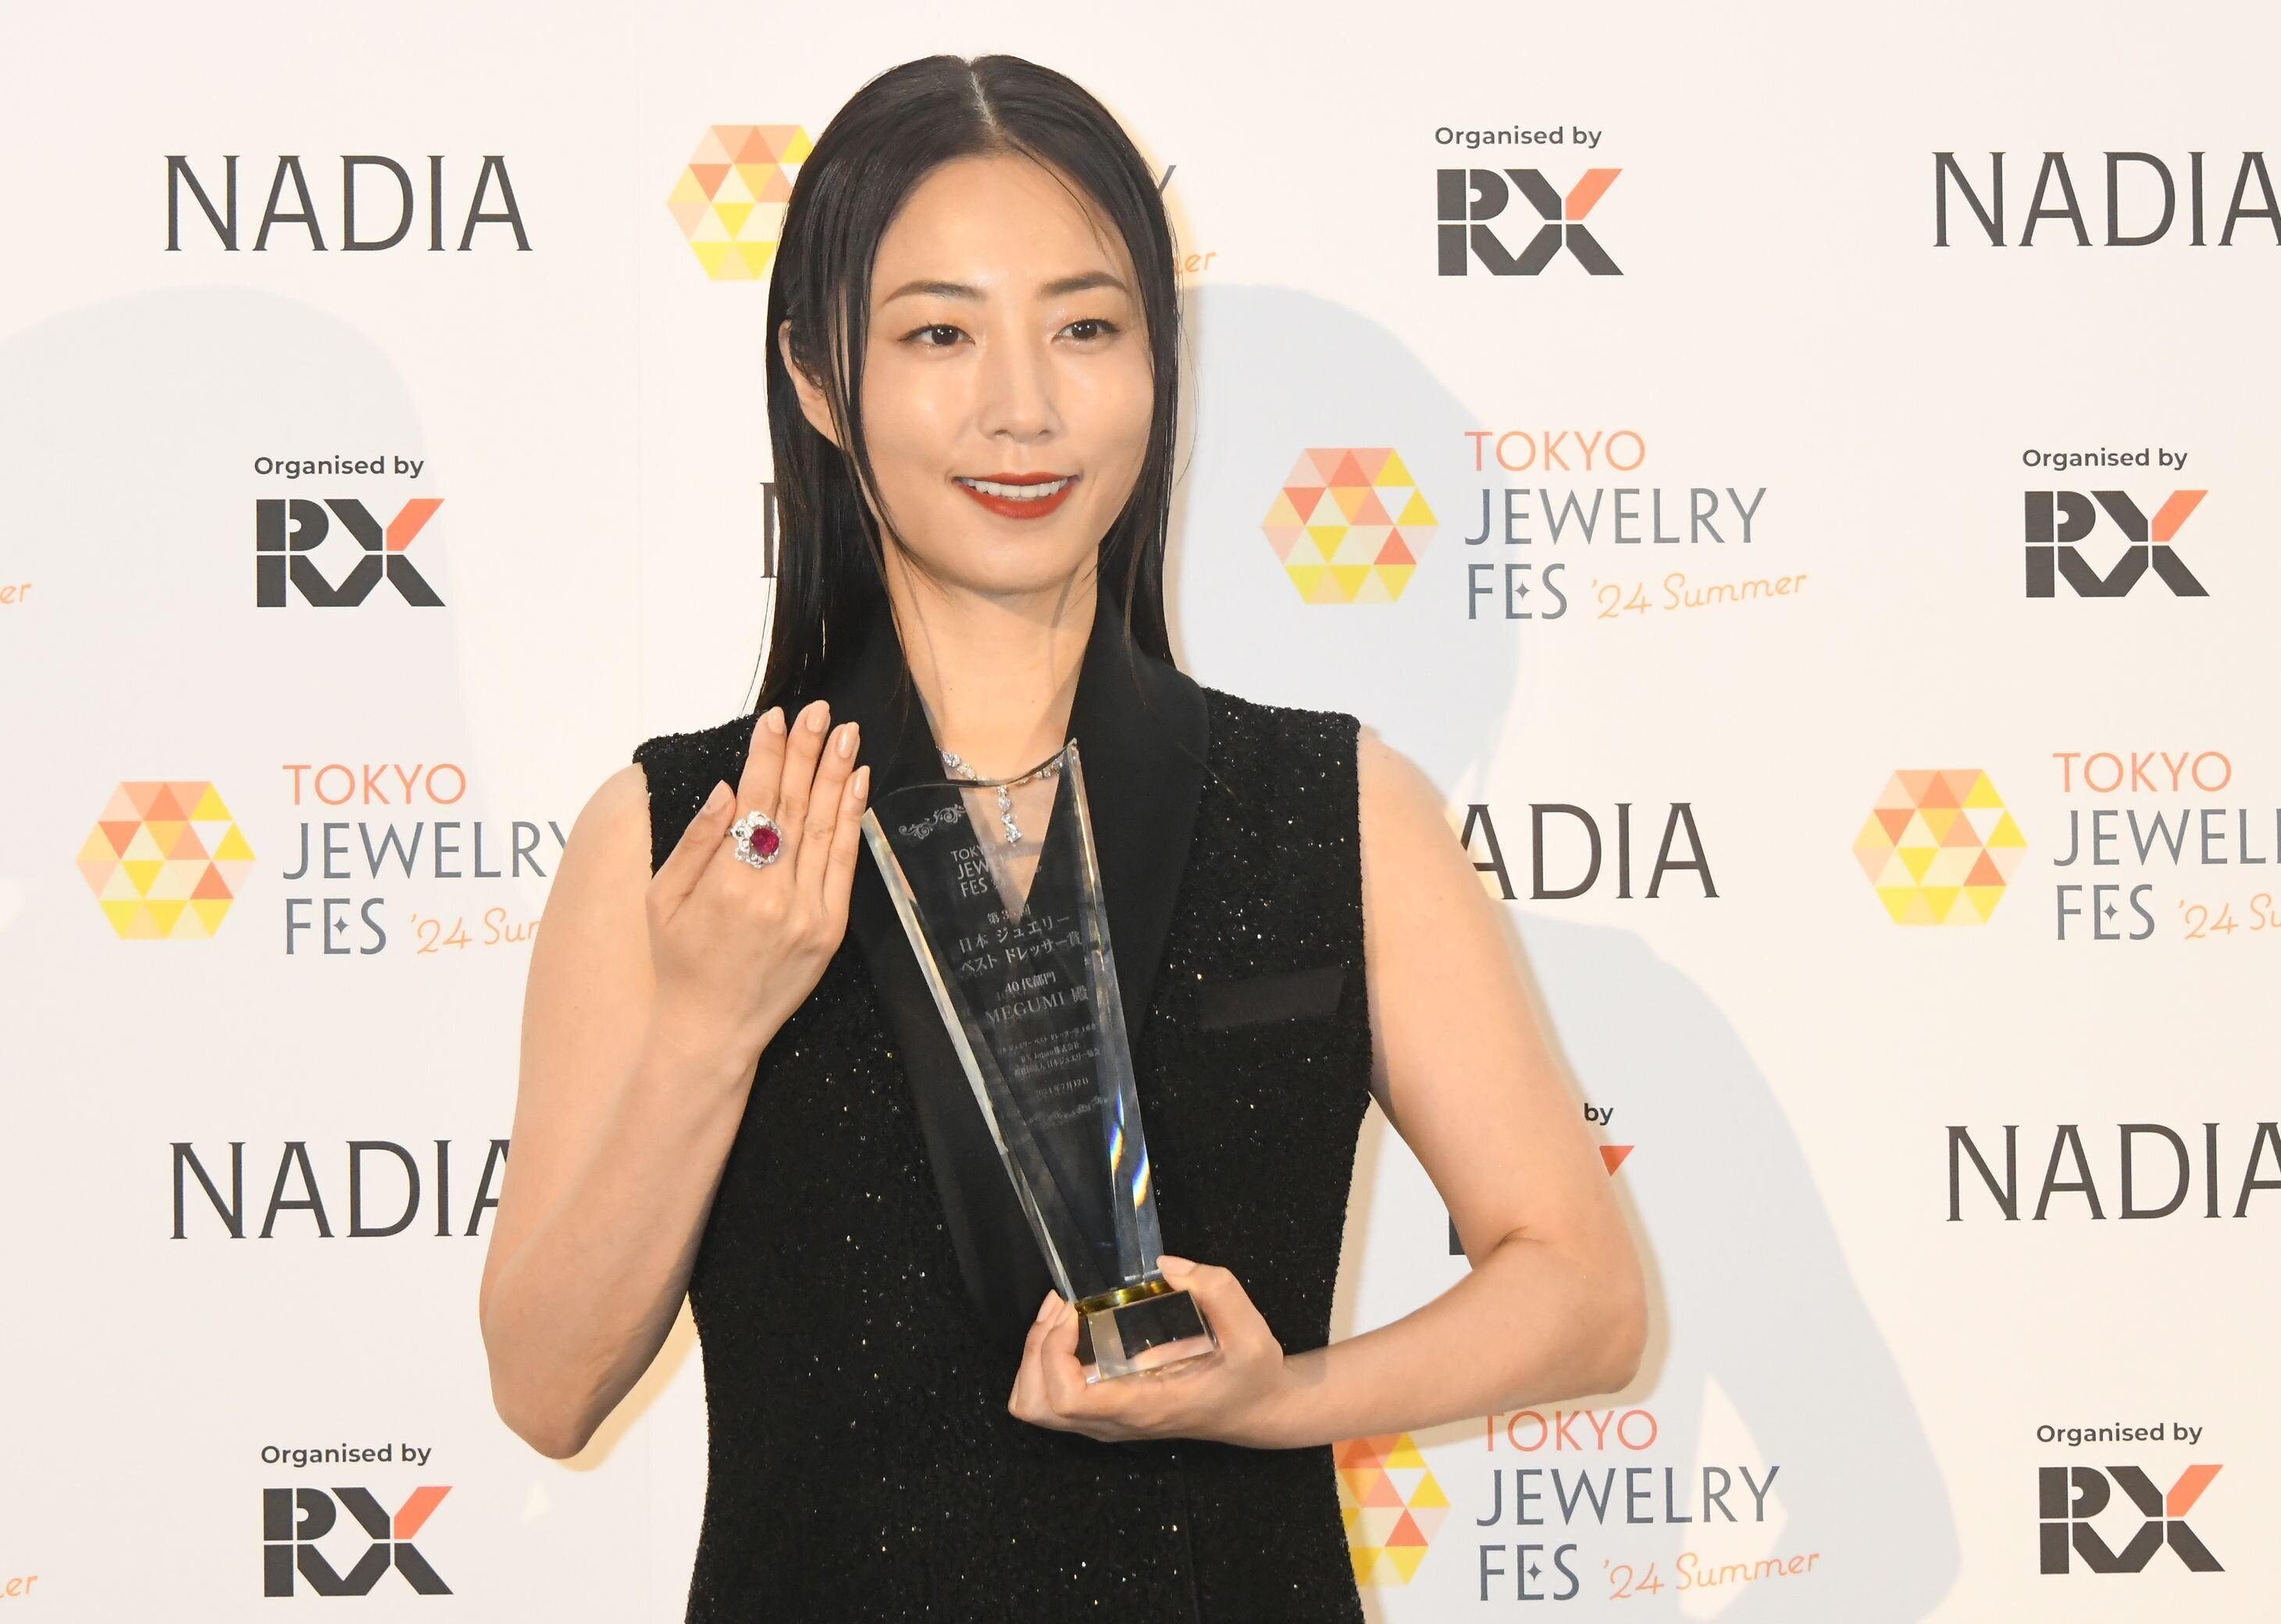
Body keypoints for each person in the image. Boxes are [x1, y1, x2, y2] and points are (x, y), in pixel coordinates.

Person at [478, 52, 1645, 1622]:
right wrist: (708, 1024)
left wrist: (1275, 1400)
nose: (1021, 408)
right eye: (939, 333)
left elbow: (1585, 1294)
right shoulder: (684, 836)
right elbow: (545, 1387)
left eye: (1086, 328)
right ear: (818, 377)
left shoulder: (1334, 807)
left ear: (1158, 361)